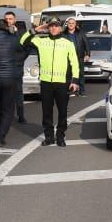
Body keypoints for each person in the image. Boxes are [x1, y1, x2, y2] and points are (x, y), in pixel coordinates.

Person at [0, 19, 36, 146]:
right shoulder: (13, 39)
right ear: (7, 28)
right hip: (9, 78)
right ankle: (0, 137)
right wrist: (26, 31)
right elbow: (24, 42)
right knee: (7, 108)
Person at [30, 17, 80, 146]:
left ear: (60, 28)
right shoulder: (41, 42)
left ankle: (60, 136)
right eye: (51, 26)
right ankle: (49, 137)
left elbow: (75, 63)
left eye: (56, 26)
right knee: (47, 112)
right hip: (46, 82)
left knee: (62, 111)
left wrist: (74, 80)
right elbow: (22, 40)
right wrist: (36, 29)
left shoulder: (67, 43)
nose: (53, 28)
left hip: (62, 83)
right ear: (48, 27)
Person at [4, 10, 29, 123]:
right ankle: (5, 116)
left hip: (17, 67)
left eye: (10, 19)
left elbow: (27, 49)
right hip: (4, 67)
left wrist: (19, 60)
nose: (8, 21)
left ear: (15, 20)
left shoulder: (21, 33)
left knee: (18, 92)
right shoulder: (1, 32)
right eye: (6, 19)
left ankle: (21, 115)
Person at [64, 17, 90, 97]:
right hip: (67, 58)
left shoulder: (80, 33)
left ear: (75, 25)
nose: (71, 25)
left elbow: (86, 43)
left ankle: (81, 91)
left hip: (79, 57)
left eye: (72, 23)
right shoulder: (63, 34)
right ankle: (70, 90)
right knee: (68, 74)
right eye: (69, 23)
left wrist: (87, 54)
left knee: (80, 74)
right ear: (67, 24)